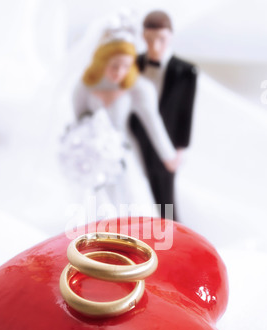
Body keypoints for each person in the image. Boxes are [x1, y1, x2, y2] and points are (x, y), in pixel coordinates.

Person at [60, 25, 180, 220]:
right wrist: (83, 145)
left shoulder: (136, 88)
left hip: (123, 151)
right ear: (102, 62)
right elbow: (78, 124)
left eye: (125, 66)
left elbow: (153, 124)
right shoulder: (85, 87)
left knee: (129, 194)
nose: (119, 72)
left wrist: (168, 155)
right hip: (95, 155)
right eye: (114, 65)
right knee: (98, 198)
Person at [130, 10, 198, 221]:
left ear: (170, 36)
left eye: (161, 39)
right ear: (142, 36)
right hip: (136, 139)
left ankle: (171, 237)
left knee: (165, 197)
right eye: (149, 39)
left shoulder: (186, 71)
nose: (155, 46)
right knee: (139, 193)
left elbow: (186, 113)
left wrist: (180, 148)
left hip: (167, 144)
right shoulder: (133, 63)